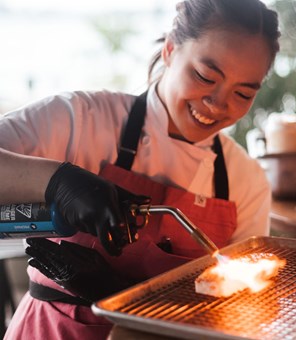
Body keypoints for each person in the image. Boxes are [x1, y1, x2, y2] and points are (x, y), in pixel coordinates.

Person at [1, 0, 280, 338]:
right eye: (205, 76)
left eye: (243, 93)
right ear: (170, 50)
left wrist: (122, 294)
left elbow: (241, 308)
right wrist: (56, 181)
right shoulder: (81, 119)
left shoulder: (245, 181)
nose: (219, 104)